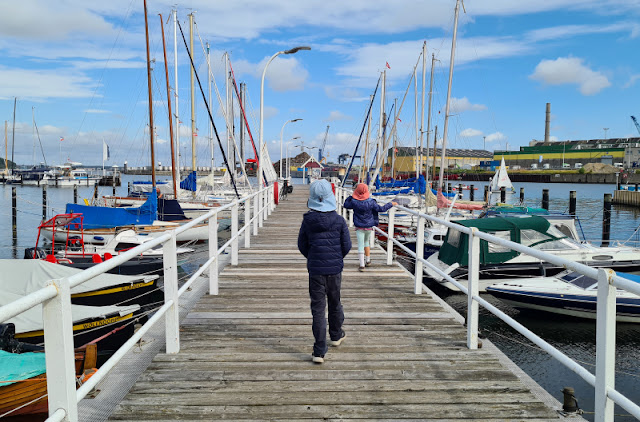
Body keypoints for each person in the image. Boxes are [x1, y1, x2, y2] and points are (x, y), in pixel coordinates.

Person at [298, 179, 352, 364]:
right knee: (335, 302)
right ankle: (336, 335)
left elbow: (302, 245)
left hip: (315, 270)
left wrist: (313, 257)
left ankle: (319, 351)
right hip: (334, 269)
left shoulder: (308, 221)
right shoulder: (339, 220)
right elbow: (347, 245)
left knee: (318, 309)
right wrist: (337, 258)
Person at [343, 183, 396, 271]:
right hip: (368, 226)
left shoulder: (353, 202)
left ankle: (362, 265)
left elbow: (345, 205)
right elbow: (381, 209)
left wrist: (351, 196)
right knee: (366, 242)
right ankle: (368, 260)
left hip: (359, 226)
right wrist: (391, 204)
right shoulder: (371, 202)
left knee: (360, 244)